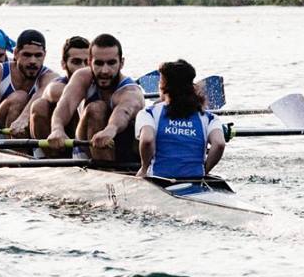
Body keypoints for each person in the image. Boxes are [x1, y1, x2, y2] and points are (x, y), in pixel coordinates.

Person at [47, 33, 144, 163]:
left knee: (97, 108)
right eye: (98, 63)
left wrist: (110, 130)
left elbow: (124, 112)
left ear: (122, 63)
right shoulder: (82, 76)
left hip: (122, 151)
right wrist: (57, 129)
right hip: (87, 146)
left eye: (111, 63)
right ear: (89, 62)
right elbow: (66, 105)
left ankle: (109, 171)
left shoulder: (131, 91)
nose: (105, 70)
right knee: (96, 108)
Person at [135, 59, 225, 178]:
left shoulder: (148, 113)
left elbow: (147, 140)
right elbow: (219, 144)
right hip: (195, 179)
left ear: (163, 85)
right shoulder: (210, 118)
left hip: (158, 180)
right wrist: (204, 172)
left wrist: (144, 168)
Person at [29, 36, 90, 145]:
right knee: (39, 105)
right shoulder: (57, 85)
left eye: (87, 62)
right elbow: (52, 92)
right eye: (76, 62)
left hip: (88, 138)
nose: (83, 67)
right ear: (63, 64)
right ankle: (47, 158)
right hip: (60, 140)